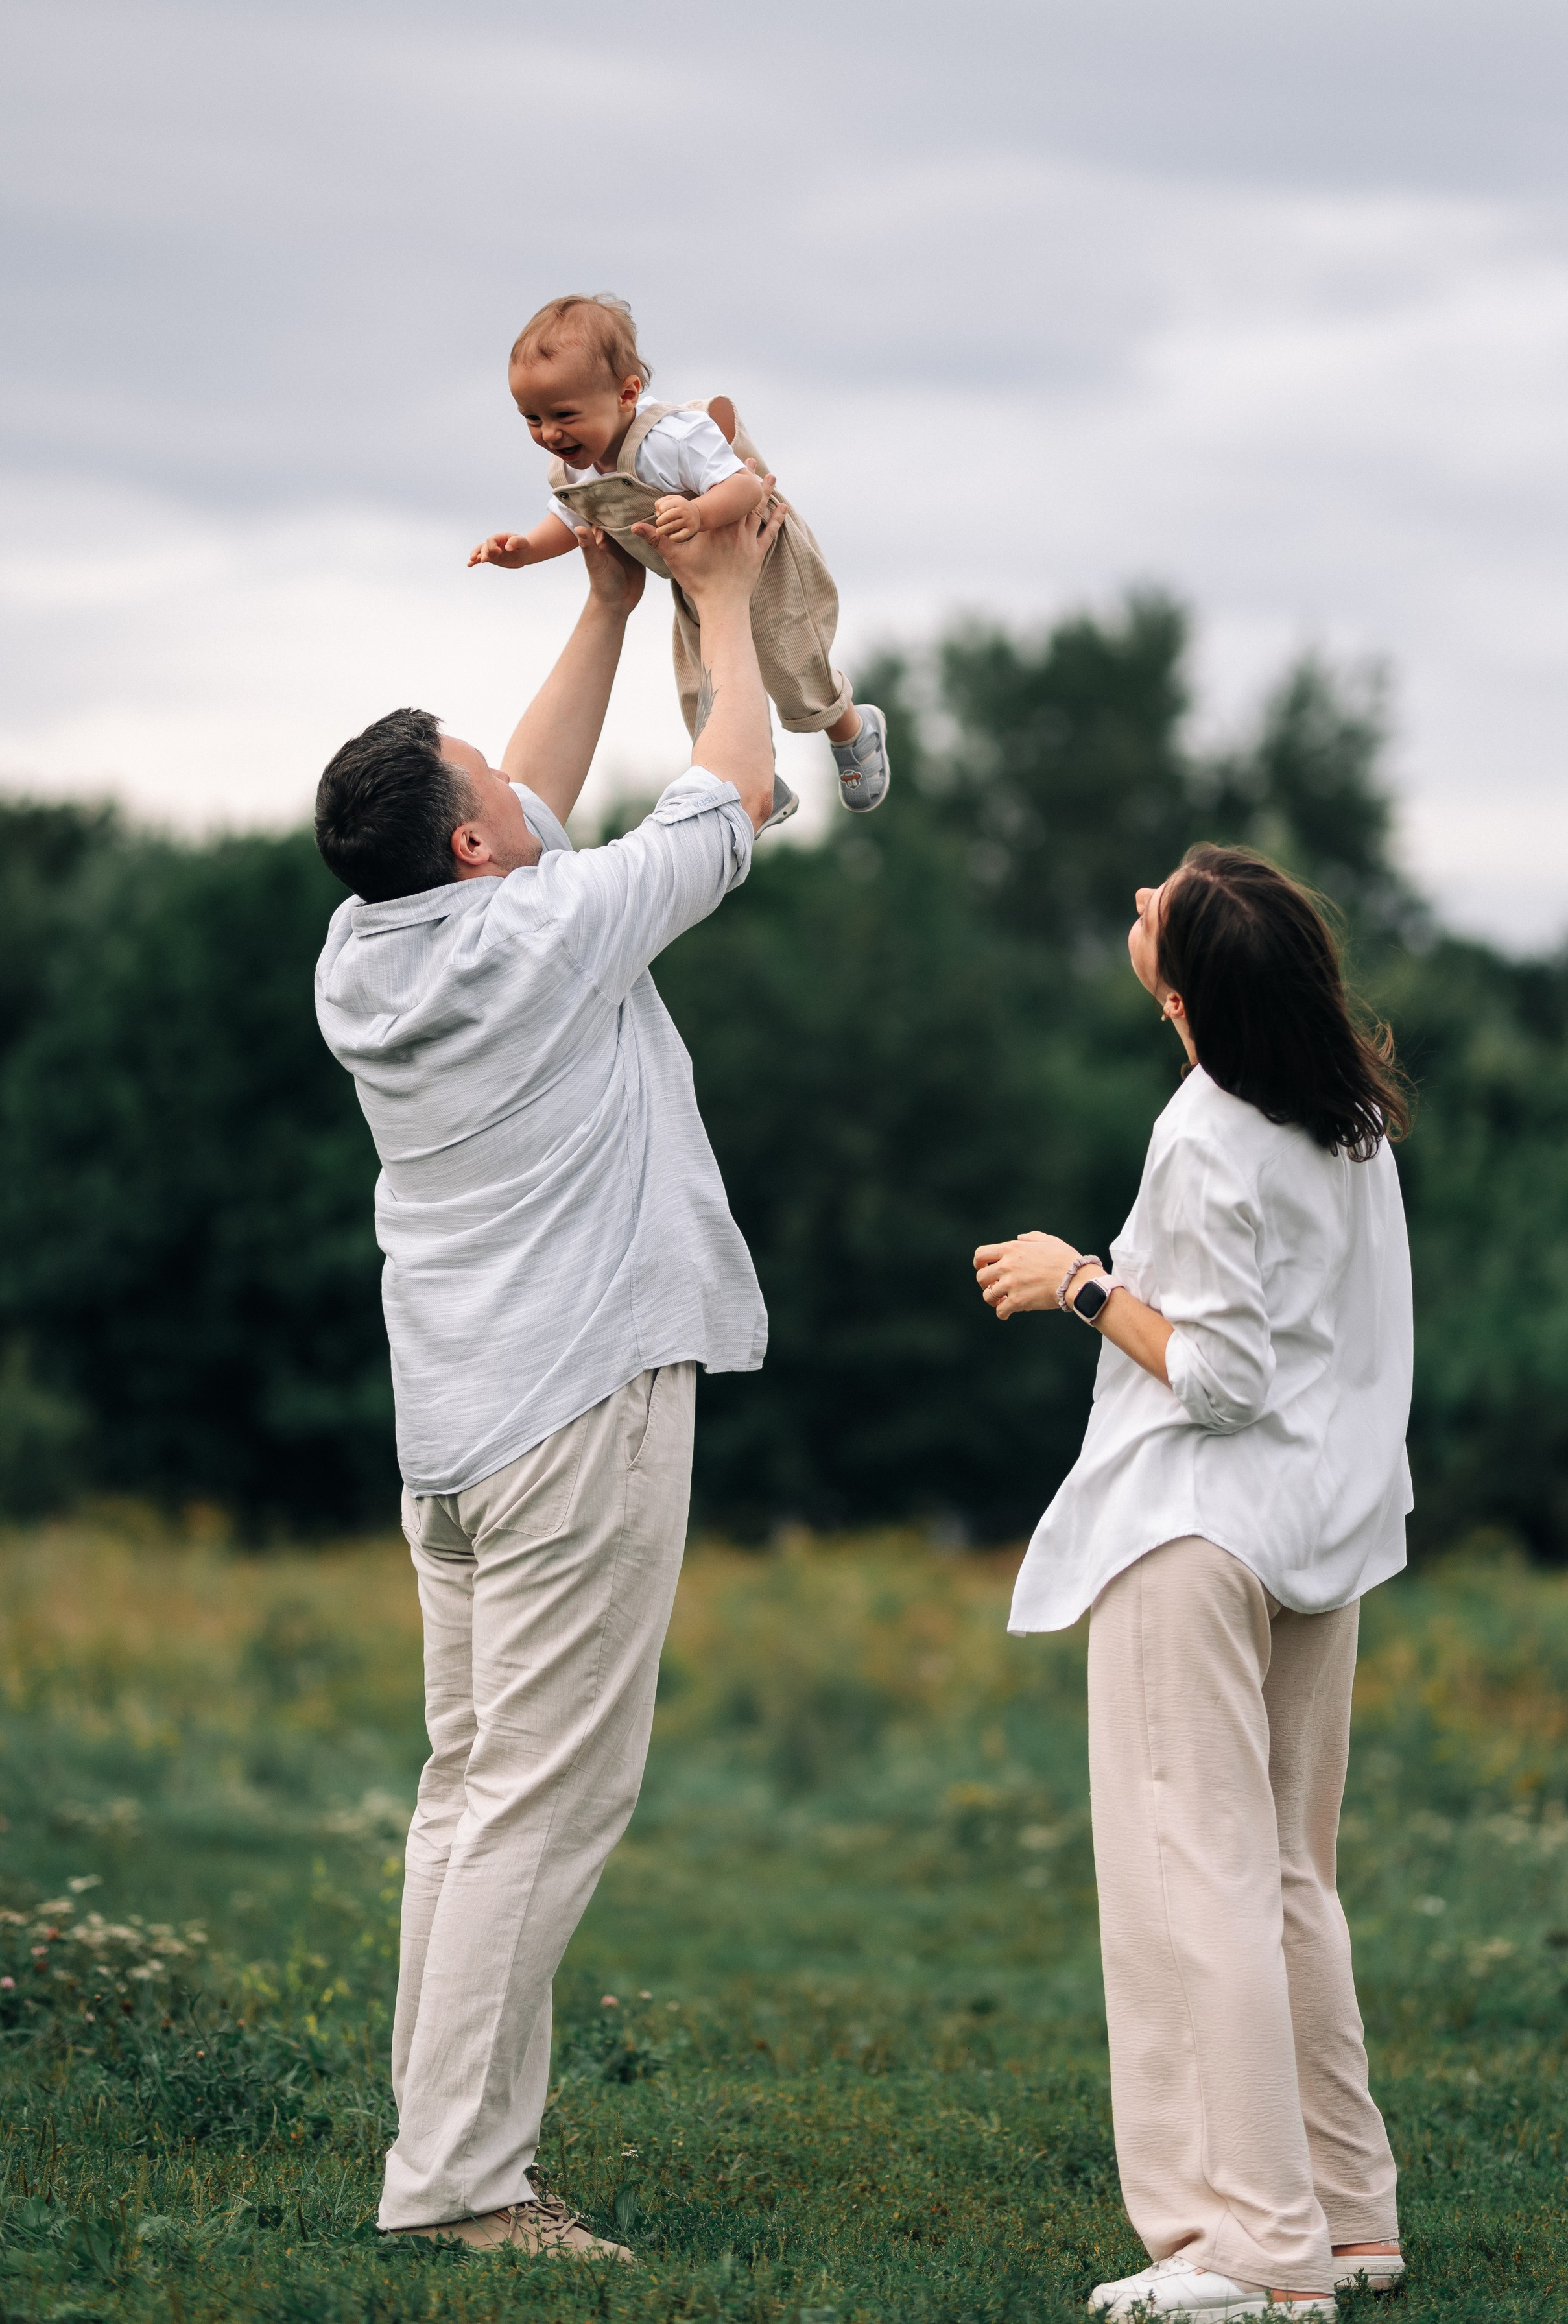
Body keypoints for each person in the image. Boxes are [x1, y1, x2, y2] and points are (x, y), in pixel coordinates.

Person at [311, 505, 785, 2256]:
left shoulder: (369, 952)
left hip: (457, 1436)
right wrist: (720, 612)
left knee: (467, 1795)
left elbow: (515, 788)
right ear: (476, 847)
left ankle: (439, 2150)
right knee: (543, 1799)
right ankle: (459, 2188)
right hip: (577, 1416)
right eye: (490, 795)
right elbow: (726, 796)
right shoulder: (542, 935)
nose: (519, 794)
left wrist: (602, 604)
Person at [973, 846, 1413, 2321]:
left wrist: (1076, 1282)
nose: (1139, 895)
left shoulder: (1202, 1130)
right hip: (1316, 1535)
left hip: (1198, 1536)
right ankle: (1349, 2221)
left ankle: (1253, 2254)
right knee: (1287, 1879)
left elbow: (1217, 1377)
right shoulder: (1347, 1122)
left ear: (1179, 985)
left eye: (1157, 899)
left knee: (1193, 1891)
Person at [468, 292, 890, 816]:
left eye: (564, 415)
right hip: (693, 580)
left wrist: (700, 513)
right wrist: (526, 549)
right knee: (701, 691)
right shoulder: (575, 465)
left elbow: (747, 488)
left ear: (627, 394)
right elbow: (569, 517)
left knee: (792, 668)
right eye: (531, 418)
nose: (550, 433)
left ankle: (853, 730)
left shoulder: (670, 439)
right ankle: (754, 779)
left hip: (761, 558)